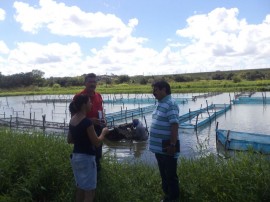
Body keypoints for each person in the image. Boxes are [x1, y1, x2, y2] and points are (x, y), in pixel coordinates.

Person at [68, 94, 109, 202]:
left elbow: (69, 140)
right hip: (87, 159)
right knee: (90, 192)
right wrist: (103, 133)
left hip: (76, 157)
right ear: (84, 105)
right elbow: (96, 142)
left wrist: (82, 138)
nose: (91, 104)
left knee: (80, 188)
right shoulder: (87, 122)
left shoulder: (72, 120)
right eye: (90, 102)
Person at [149, 80, 180, 202]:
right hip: (160, 148)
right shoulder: (160, 103)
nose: (153, 93)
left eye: (156, 90)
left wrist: (172, 144)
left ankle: (173, 198)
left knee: (170, 175)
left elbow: (174, 125)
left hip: (168, 146)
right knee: (164, 173)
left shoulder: (170, 103)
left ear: (164, 90)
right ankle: (167, 195)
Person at [73, 73, 105, 171]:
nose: (92, 84)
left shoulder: (98, 95)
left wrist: (104, 119)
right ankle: (86, 174)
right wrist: (89, 120)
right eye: (90, 82)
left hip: (98, 128)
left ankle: (97, 173)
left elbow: (101, 110)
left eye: (94, 82)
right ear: (85, 83)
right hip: (84, 129)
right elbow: (74, 117)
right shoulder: (79, 97)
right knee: (87, 153)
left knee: (98, 153)